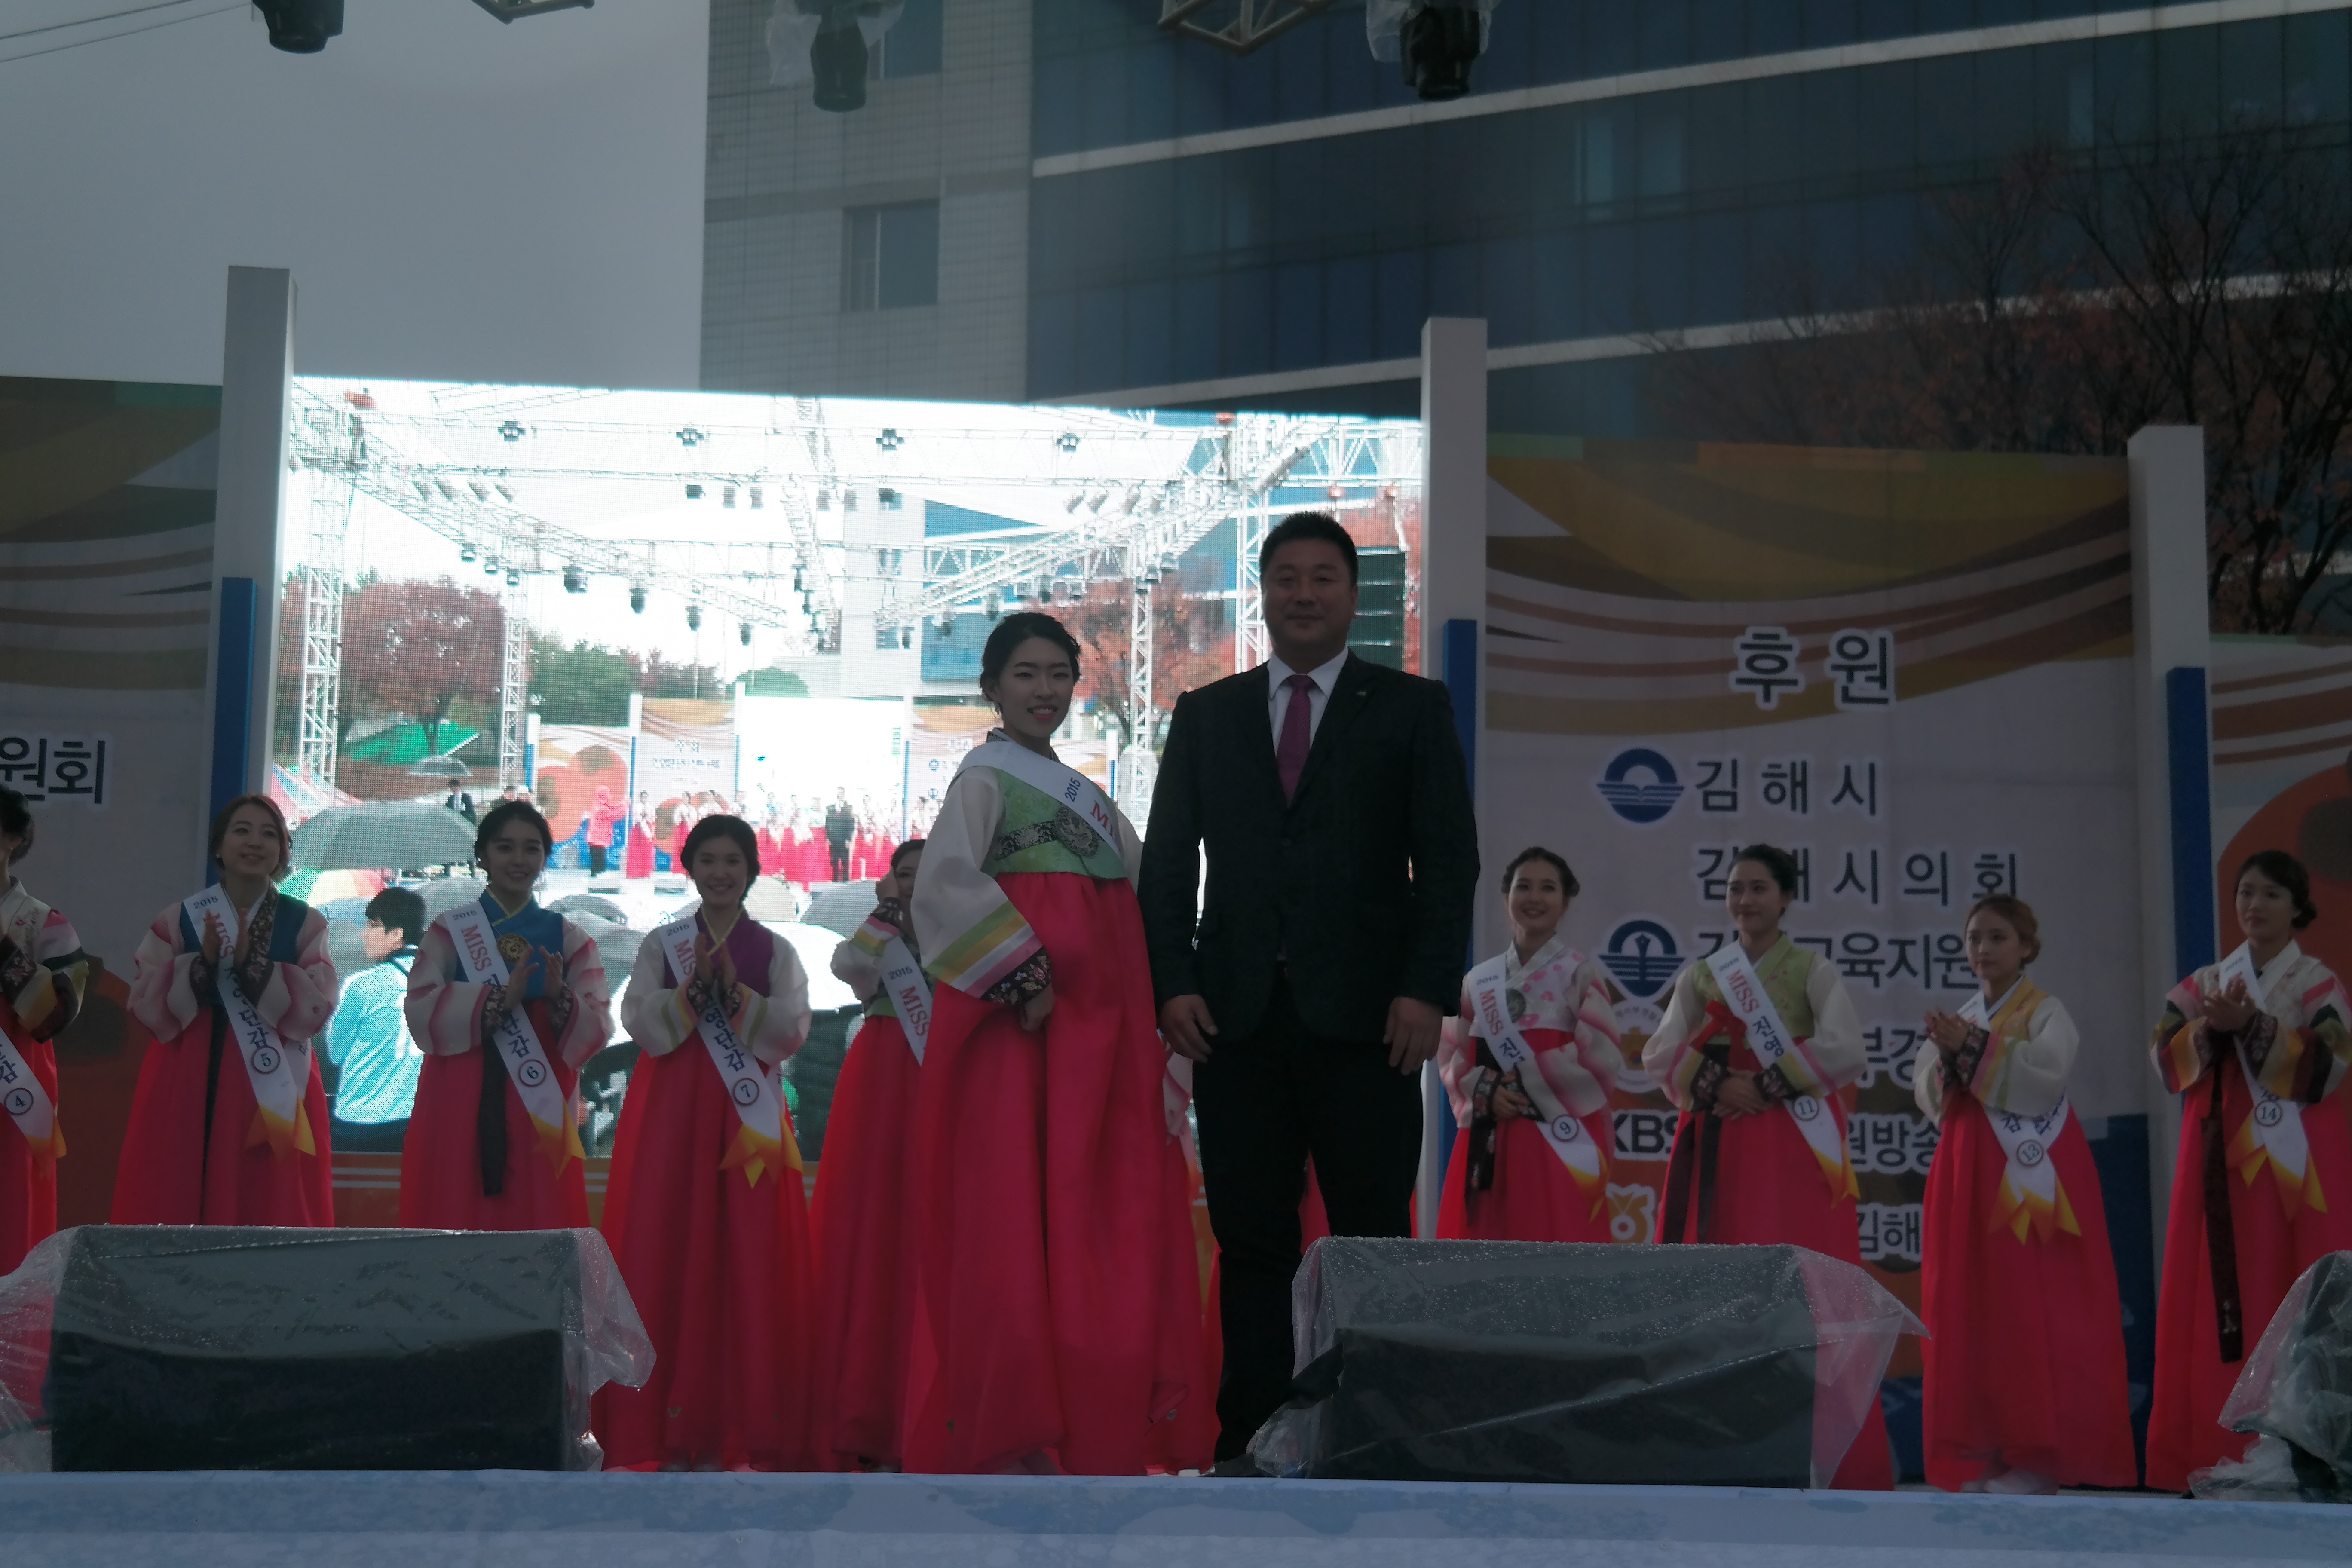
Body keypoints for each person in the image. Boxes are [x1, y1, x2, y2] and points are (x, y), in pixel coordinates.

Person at [1137, 511, 1478, 1467]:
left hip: (1373, 1021)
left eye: (1323, 577)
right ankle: (1249, 1440)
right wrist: (1173, 983)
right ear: (1263, 593)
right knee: (1251, 1242)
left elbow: (1447, 862)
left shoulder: (1410, 708)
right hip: (1234, 1019)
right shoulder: (1208, 713)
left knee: (1371, 1238)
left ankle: (1371, 1436)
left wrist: (1426, 990)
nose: (1303, 594)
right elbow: (1168, 863)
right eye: (1286, 577)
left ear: (1352, 595)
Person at [906, 612, 1206, 1476]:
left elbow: (1147, 899)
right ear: (992, 688)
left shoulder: (1090, 798)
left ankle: (1086, 1408)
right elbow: (945, 887)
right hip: (1021, 1033)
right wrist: (1025, 974)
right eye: (1026, 674)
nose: (1044, 690)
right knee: (1017, 1209)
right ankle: (1021, 1418)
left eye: (1058, 675)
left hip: (1100, 1040)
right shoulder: (983, 781)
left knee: (1093, 1210)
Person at [1639, 843, 1893, 1489]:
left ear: (1786, 898)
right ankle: (1720, 1443)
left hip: (1791, 1143)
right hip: (1720, 1142)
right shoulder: (1704, 975)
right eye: (1736, 889)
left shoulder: (1811, 969)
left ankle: (1810, 1451)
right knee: (1724, 1284)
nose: (1746, 900)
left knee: (1800, 1284)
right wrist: (1719, 1083)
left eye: (1759, 888)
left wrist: (1767, 1083)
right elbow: (1658, 1052)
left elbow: (1846, 1047)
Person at [598, 814, 817, 1471]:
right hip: (675, 1116)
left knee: (748, 1256)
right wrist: (693, 993)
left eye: (733, 861)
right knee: (668, 1247)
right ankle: (665, 1428)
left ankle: (736, 1426)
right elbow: (639, 1020)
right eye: (709, 861)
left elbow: (792, 1029)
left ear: (751, 871)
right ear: (690, 868)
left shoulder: (774, 951)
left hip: (748, 1123)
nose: (721, 873)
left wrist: (739, 997)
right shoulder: (662, 946)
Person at [1915, 895, 2136, 1495]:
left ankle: (2039, 1457)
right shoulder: (1965, 1015)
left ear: (2027, 947)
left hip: (2030, 1174)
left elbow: (2046, 1075)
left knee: (2030, 1302)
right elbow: (1927, 1090)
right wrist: (1949, 1058)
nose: (1983, 949)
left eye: (1998, 937)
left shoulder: (2045, 1011)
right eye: (1974, 938)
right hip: (1969, 1167)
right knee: (1977, 1303)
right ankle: (1990, 1448)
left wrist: (1968, 1049)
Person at [2146, 850, 2352, 1492]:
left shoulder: (2317, 983)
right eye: (2245, 893)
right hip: (2220, 1168)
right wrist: (2212, 1029)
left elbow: (2332, 1064)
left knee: (2295, 1285)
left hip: (2296, 1172)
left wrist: (2254, 1027)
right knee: (2220, 1289)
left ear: (2297, 907)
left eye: (2270, 895)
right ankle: (2212, 1444)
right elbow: (2164, 1058)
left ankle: (2298, 1451)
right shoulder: (2205, 983)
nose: (2254, 906)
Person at [117, 793, 338, 1226]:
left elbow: (319, 1005)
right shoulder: (180, 918)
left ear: (282, 852)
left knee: (272, 1193)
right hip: (189, 1070)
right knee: (178, 1184)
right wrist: (200, 965)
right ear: (219, 846)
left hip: (278, 1072)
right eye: (242, 831)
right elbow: (143, 1002)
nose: (255, 842)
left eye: (269, 834)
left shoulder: (306, 922)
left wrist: (253, 966)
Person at [401, 800, 613, 1231]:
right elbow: (420, 1011)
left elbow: (598, 1028)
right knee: (456, 1202)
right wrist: (497, 1000)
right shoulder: (449, 931)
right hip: (460, 1092)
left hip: (540, 1095)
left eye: (532, 849)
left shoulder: (569, 938)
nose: (519, 859)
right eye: (505, 848)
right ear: (482, 856)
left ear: (545, 858)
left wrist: (559, 998)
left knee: (539, 1210)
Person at [1434, 847, 1625, 1243]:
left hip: (1557, 1135)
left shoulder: (1579, 973)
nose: (1534, 898)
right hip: (1489, 1131)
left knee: (1553, 1239)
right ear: (1507, 897)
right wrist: (1487, 1089)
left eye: (1548, 888)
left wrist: (1522, 1086)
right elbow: (1451, 1052)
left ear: (1565, 902)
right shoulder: (1478, 981)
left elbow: (1601, 1056)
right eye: (1524, 887)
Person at [812, 837, 928, 1468]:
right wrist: (888, 919)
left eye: (927, 874)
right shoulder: (879, 933)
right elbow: (849, 968)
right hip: (883, 1073)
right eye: (905, 874)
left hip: (941, 1072)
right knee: (876, 1222)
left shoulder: (968, 928)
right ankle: (866, 1408)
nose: (915, 883)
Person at [0, 787, 86, 1275]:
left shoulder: (44, 923)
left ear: (14, 838)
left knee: (10, 1211)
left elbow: (56, 1018)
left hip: (11, 1092)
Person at [322, 887, 427, 1153]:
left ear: (397, 934)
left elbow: (336, 1053)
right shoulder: (441, 982)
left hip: (359, 1120)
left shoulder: (361, 985)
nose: (364, 934)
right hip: (418, 1119)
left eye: (373, 926)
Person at [586, 786, 623, 877]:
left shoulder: (599, 806)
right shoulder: (602, 809)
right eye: (608, 795)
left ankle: (596, 877)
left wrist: (622, 804)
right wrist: (625, 806)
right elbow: (616, 815)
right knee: (599, 865)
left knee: (597, 864)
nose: (610, 797)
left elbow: (612, 808)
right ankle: (596, 879)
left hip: (596, 841)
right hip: (598, 842)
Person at [825, 789, 856, 884]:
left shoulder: (848, 808)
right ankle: (835, 881)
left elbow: (851, 825)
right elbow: (828, 823)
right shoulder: (831, 808)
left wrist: (849, 839)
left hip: (844, 840)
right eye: (838, 793)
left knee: (845, 861)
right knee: (834, 861)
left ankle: (845, 881)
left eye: (841, 793)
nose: (839, 795)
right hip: (834, 840)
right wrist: (829, 838)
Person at [625, 791, 657, 880]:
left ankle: (645, 873)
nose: (644, 799)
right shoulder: (637, 807)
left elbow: (653, 818)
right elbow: (637, 818)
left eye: (645, 797)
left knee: (647, 852)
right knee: (636, 852)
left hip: (647, 831)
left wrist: (648, 818)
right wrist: (642, 818)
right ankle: (635, 873)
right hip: (638, 831)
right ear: (640, 798)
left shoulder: (650, 807)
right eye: (643, 797)